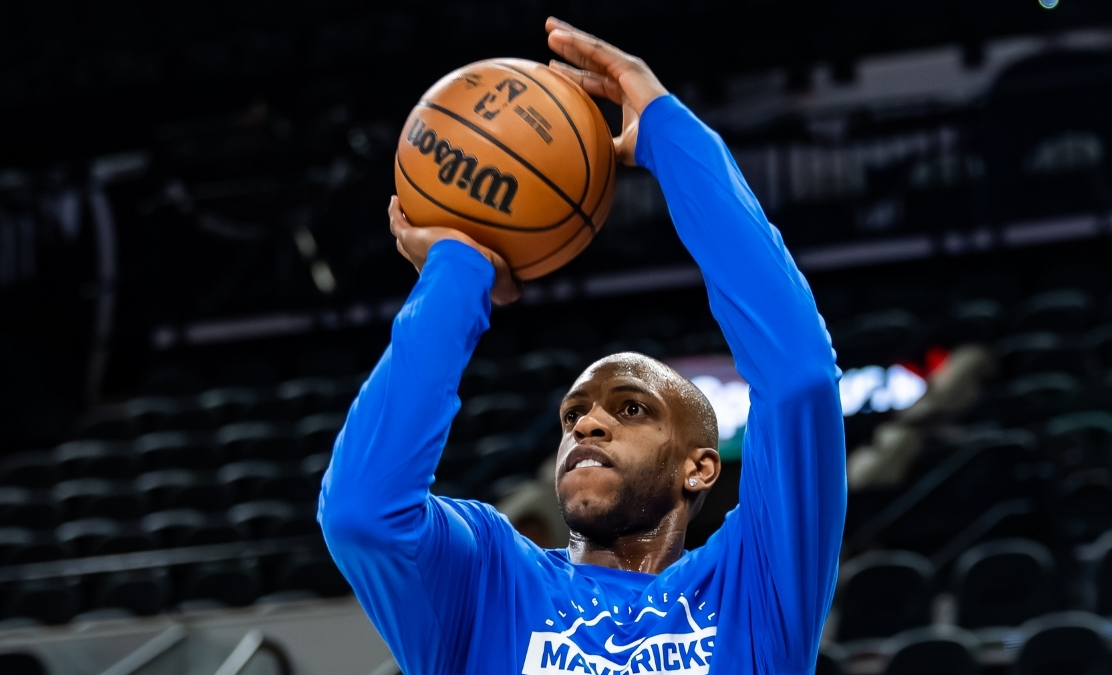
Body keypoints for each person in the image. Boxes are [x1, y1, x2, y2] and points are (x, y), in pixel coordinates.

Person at [318, 18, 846, 675]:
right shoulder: (490, 581)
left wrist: (668, 133)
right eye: (573, 416)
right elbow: (362, 513)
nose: (587, 421)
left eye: (632, 410)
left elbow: (799, 378)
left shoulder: (751, 590)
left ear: (700, 467)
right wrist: (459, 271)